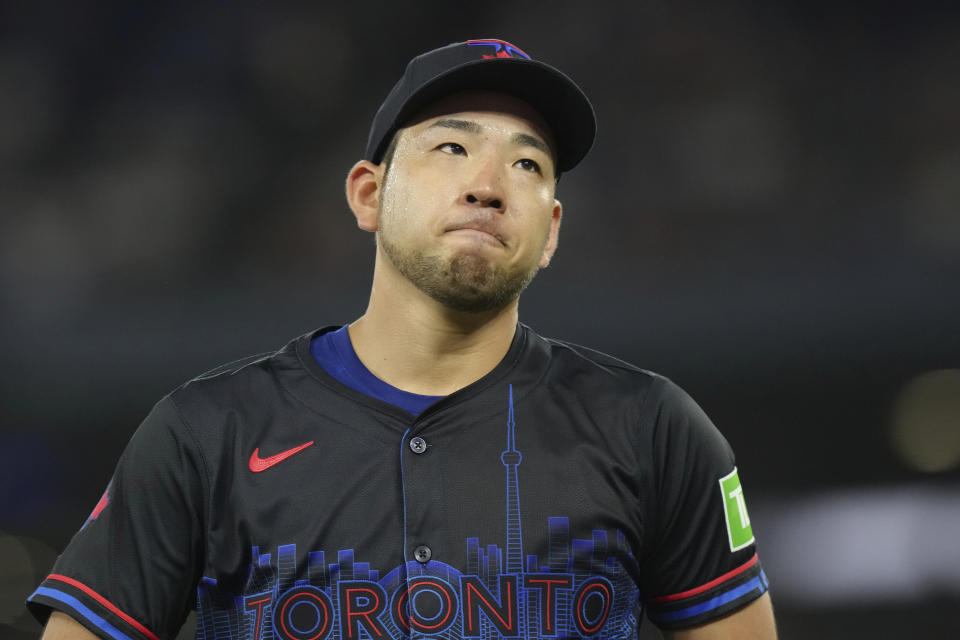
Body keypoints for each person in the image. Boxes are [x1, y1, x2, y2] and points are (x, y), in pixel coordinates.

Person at [28, 38, 777, 640]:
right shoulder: (207, 431)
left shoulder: (651, 428)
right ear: (367, 194)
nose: (489, 183)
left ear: (550, 232)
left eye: (527, 163)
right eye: (451, 148)